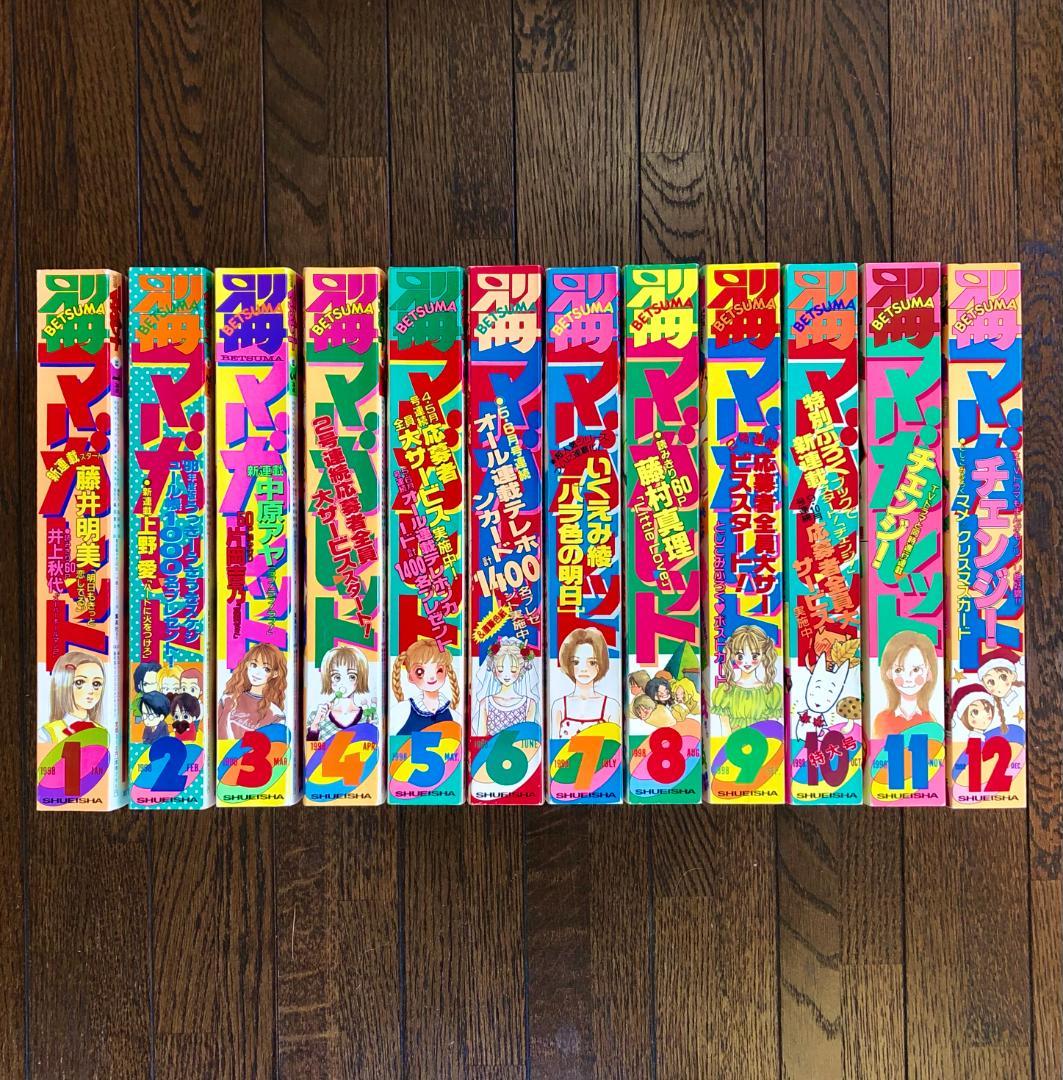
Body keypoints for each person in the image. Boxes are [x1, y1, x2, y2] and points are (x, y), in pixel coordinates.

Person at [550, 626, 621, 740]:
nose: (584, 669)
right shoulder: (559, 706)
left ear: (601, 663)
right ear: (567, 663)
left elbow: (615, 746)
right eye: (576, 662)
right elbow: (554, 744)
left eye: (592, 662)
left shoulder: (611, 706)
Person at [711, 625, 782, 736]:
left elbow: (771, 729)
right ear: (733, 655)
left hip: (763, 743)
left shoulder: (771, 691)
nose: (747, 662)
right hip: (734, 744)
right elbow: (725, 731)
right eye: (740, 656)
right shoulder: (726, 691)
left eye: (754, 656)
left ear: (763, 655)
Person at [872, 630, 939, 739]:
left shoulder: (930, 721)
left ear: (929, 673)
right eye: (899, 670)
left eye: (916, 670)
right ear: (889, 673)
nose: (908, 678)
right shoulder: (882, 720)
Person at [217, 642, 287, 740]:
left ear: (275, 674)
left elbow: (274, 745)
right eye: (254, 665)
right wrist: (227, 712)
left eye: (266, 669)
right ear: (247, 665)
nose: (257, 673)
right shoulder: (227, 699)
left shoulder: (276, 715)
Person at [391, 638, 460, 737]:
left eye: (439, 670)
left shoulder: (454, 715)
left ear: (446, 672)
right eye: (420, 672)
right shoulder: (402, 710)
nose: (431, 677)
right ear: (410, 677)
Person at [472, 636, 537, 737]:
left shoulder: (530, 703)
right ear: (494, 669)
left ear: (521, 669)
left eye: (513, 670)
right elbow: (481, 739)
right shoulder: (485, 703)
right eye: (501, 670)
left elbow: (528, 739)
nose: (506, 675)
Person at [39, 650, 107, 744]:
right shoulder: (47, 733)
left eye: (96, 684)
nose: (91, 690)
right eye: (79, 682)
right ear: (64, 685)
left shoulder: (102, 732)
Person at [308, 645, 373, 742]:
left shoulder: (369, 716)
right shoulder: (317, 716)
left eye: (351, 676)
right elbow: (310, 749)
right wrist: (315, 725)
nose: (343, 683)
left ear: (360, 678)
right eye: (337, 677)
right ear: (328, 679)